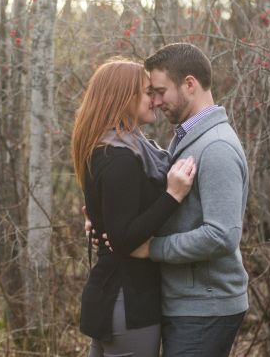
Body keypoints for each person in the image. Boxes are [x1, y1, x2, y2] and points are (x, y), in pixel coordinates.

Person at [129, 42, 250, 356]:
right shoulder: (188, 138)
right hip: (188, 303)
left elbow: (222, 235)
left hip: (205, 308)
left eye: (159, 91)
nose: (154, 102)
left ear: (190, 84)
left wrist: (153, 248)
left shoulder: (216, 147)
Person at [73, 59, 197, 357]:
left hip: (115, 296)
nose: (155, 101)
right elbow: (124, 238)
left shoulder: (111, 148)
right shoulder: (120, 157)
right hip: (127, 301)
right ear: (124, 98)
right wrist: (172, 195)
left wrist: (98, 224)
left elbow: (114, 220)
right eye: (147, 93)